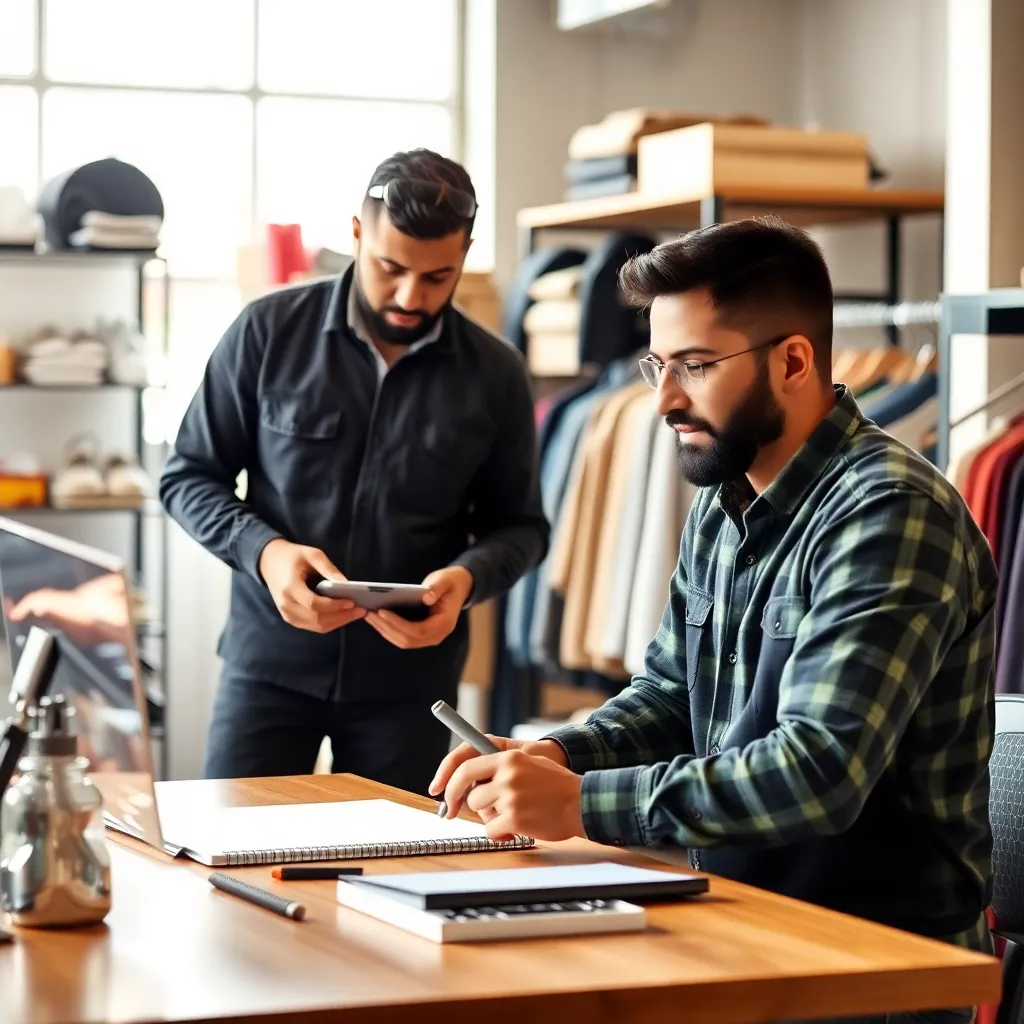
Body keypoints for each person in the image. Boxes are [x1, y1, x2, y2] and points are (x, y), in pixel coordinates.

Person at [432, 217, 996, 1023]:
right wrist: (555, 752)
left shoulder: (888, 513)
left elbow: (818, 770)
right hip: (745, 918)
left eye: (696, 365)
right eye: (658, 364)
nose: (662, 399)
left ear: (794, 361)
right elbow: (668, 693)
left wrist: (580, 803)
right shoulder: (723, 501)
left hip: (880, 964)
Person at [160, 148, 549, 794]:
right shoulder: (265, 332)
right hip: (267, 670)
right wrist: (266, 552)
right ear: (357, 234)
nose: (408, 295)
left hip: (411, 688)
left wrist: (467, 580)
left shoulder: (497, 374)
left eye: (437, 277)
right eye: (390, 268)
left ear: (466, 252)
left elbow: (523, 528)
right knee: (230, 865)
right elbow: (187, 477)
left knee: (394, 879)